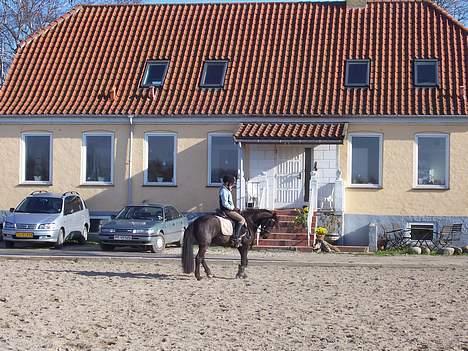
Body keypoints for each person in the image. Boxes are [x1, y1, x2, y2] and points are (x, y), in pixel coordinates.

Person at [219, 175, 246, 248]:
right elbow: (225, 203)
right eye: (231, 184)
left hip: (229, 209)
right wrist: (233, 208)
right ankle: (236, 237)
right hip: (227, 210)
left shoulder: (226, 190)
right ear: (227, 183)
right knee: (242, 219)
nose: (232, 185)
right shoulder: (224, 191)